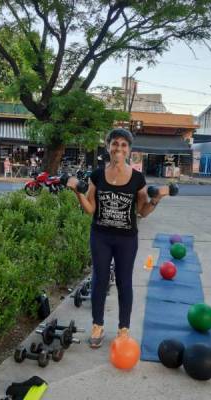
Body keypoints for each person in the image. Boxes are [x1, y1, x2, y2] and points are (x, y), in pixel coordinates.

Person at [66, 128, 168, 348]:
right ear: (108, 146)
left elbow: (142, 212)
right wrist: (77, 192)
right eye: (115, 144)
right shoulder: (97, 175)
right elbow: (91, 209)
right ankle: (97, 325)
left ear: (129, 149)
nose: (119, 148)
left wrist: (156, 200)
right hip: (100, 236)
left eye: (124, 145)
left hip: (126, 239)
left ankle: (123, 329)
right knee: (99, 281)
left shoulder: (138, 178)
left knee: (124, 282)